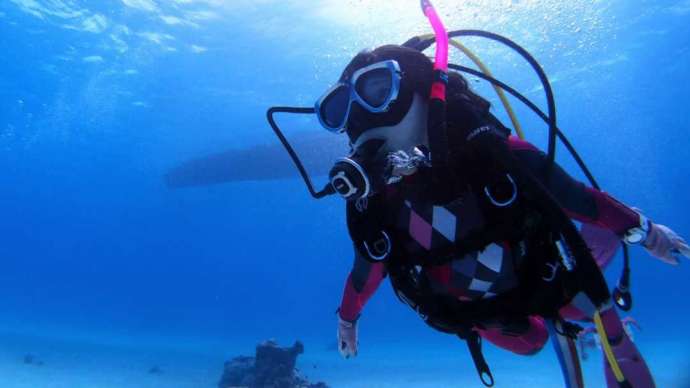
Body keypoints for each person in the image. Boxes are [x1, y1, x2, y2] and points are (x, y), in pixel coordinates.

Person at [314, 44, 690, 387]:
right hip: (481, 312)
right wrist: (346, 319)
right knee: (533, 343)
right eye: (337, 109)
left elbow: (575, 197)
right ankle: (579, 325)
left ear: (423, 90)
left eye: (377, 90)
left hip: (537, 276)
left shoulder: (493, 153)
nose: (358, 117)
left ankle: (601, 299)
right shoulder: (375, 202)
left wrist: (642, 230)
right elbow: (368, 267)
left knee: (573, 298)